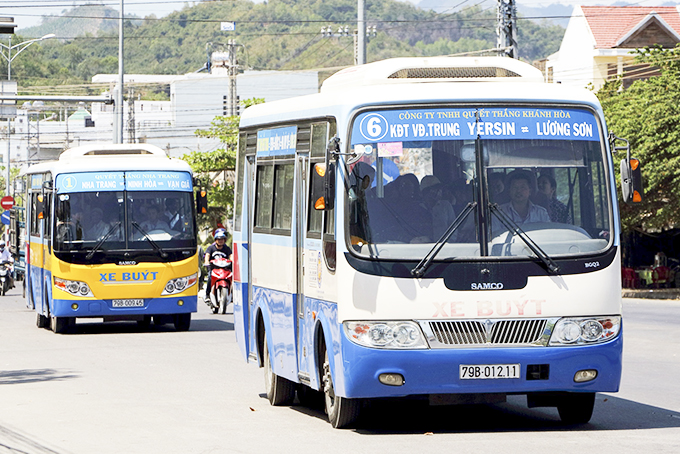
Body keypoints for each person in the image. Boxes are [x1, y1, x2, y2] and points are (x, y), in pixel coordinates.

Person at [204, 228, 233, 300]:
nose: (220, 241)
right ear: (215, 240)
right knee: (210, 278)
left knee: (231, 278)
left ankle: (231, 294)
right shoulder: (211, 248)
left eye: (222, 239)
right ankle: (207, 295)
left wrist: (233, 261)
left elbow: (231, 256)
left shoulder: (227, 248)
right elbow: (207, 255)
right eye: (219, 239)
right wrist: (207, 262)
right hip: (214, 269)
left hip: (224, 269)